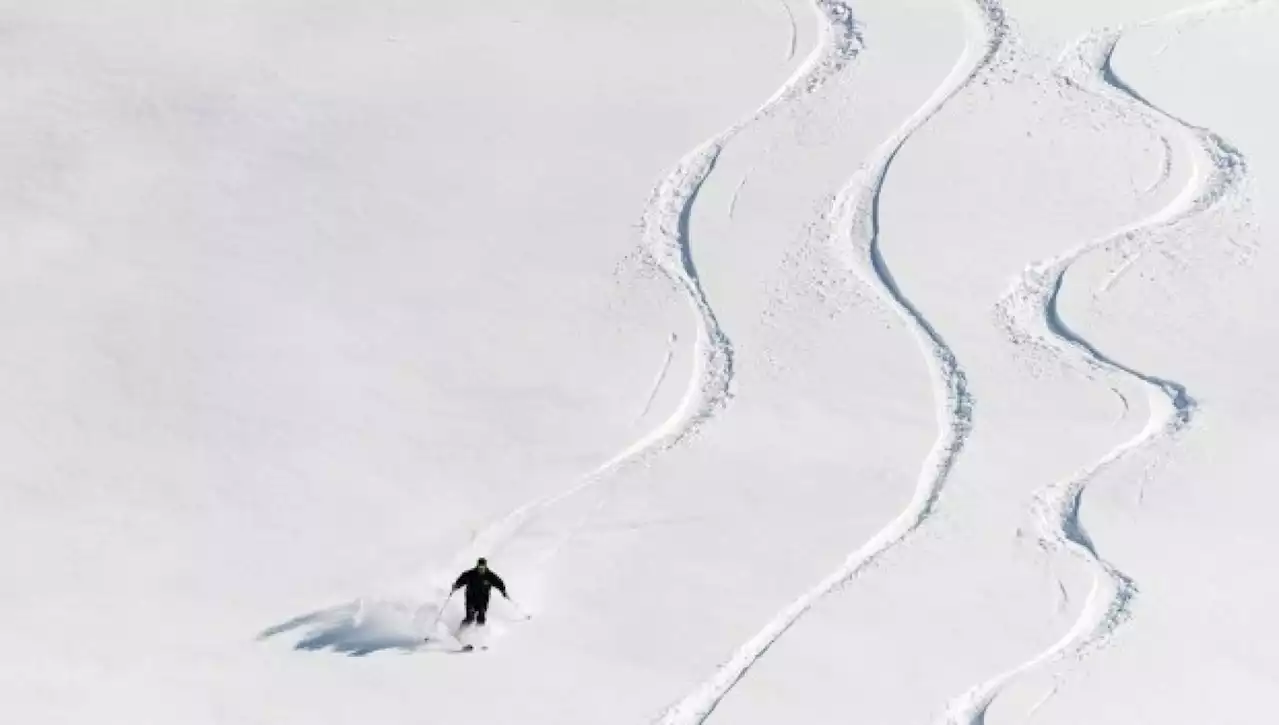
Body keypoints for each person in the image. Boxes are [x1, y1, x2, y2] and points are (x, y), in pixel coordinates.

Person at [452, 557, 508, 627]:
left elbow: (499, 583)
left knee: (481, 617)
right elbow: (461, 580)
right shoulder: (470, 574)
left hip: (483, 600)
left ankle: (478, 633)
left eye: (483, 567)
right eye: (479, 567)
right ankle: (460, 631)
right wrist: (456, 586)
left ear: (485, 567)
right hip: (471, 599)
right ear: (477, 566)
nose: (481, 569)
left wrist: (503, 591)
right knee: (470, 617)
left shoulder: (490, 576)